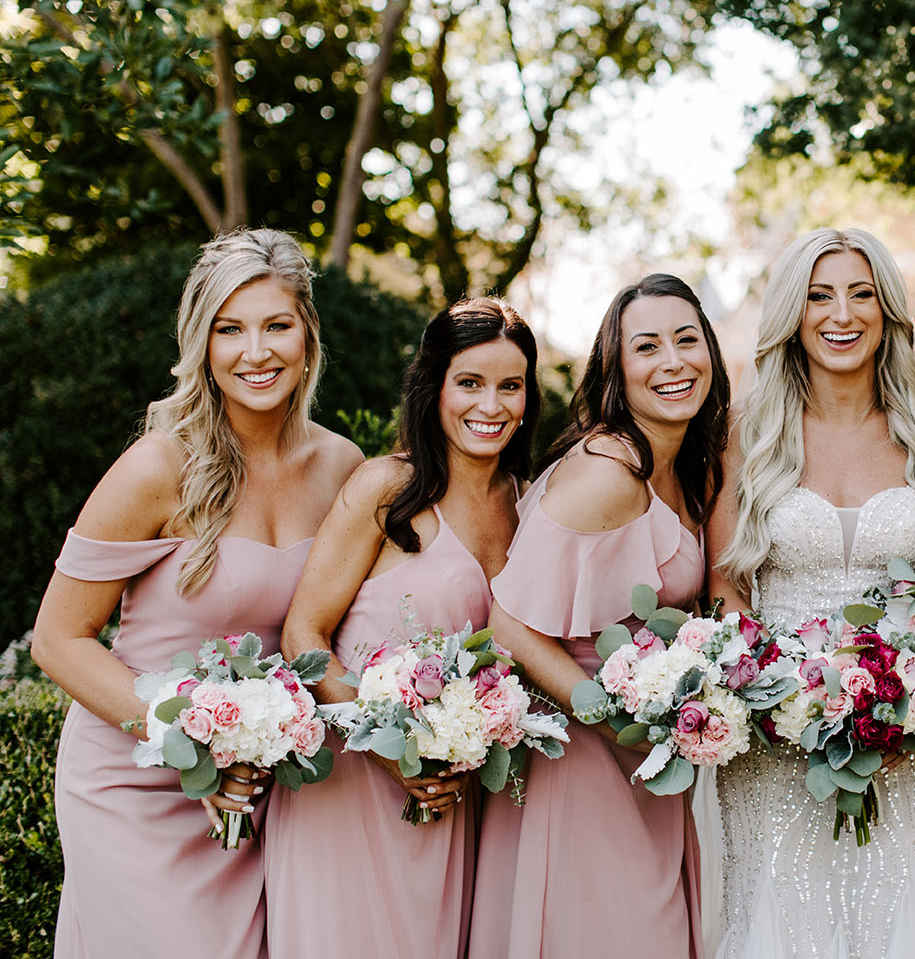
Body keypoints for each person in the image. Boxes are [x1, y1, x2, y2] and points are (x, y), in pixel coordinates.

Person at [31, 228, 362, 959]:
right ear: (201, 343)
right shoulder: (158, 466)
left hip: (257, 783)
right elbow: (58, 639)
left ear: (307, 333)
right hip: (135, 781)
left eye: (277, 325)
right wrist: (186, 743)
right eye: (230, 329)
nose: (257, 351)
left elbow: (345, 630)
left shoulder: (342, 466)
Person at [705, 228, 915, 959]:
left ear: (887, 310)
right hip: (774, 731)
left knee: (902, 914)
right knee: (780, 916)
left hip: (913, 734)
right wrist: (771, 687)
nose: (840, 314)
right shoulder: (748, 429)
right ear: (793, 313)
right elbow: (726, 582)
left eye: (861, 294)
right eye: (819, 295)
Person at [263, 297, 537, 958]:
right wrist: (389, 747)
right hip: (353, 788)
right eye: (469, 382)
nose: (490, 405)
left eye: (510, 386)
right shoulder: (387, 487)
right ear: (433, 386)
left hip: (451, 798)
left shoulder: (530, 504)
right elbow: (304, 633)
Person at [467, 273, 729, 959]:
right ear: (616, 369)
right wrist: (607, 713)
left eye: (687, 340)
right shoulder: (608, 471)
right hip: (583, 761)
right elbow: (507, 618)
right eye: (647, 346)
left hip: (648, 757)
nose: (672, 361)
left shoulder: (685, 464)